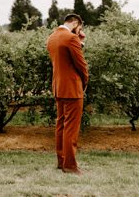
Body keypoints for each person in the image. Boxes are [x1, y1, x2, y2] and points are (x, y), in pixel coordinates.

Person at [46, 13, 89, 175]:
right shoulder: (71, 38)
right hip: (72, 88)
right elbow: (81, 65)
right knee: (71, 128)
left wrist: (80, 41)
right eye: (80, 27)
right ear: (76, 23)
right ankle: (70, 166)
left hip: (58, 87)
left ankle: (61, 161)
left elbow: (65, 58)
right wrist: (84, 82)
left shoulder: (52, 37)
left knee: (61, 125)